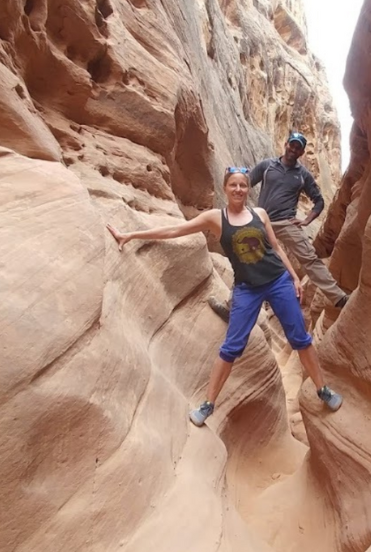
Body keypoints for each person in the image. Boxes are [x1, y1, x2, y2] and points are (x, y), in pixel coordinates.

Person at [106, 166, 344, 427]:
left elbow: (275, 247)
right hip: (246, 289)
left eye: (243, 185)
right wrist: (131, 235)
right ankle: (208, 404)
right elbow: (176, 230)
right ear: (225, 188)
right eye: (234, 185)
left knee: (300, 338)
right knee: (231, 348)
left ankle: (323, 389)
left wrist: (294, 277)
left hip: (277, 282)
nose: (239, 189)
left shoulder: (260, 213)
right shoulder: (215, 218)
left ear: (247, 188)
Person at [249, 131, 349, 308]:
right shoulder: (267, 166)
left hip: (286, 223)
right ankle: (232, 302)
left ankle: (338, 298)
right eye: (292, 145)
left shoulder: (303, 175)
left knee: (310, 258)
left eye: (298, 148)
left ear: (302, 153)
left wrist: (306, 221)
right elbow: (245, 182)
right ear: (286, 144)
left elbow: (319, 201)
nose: (294, 150)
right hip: (262, 221)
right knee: (248, 257)